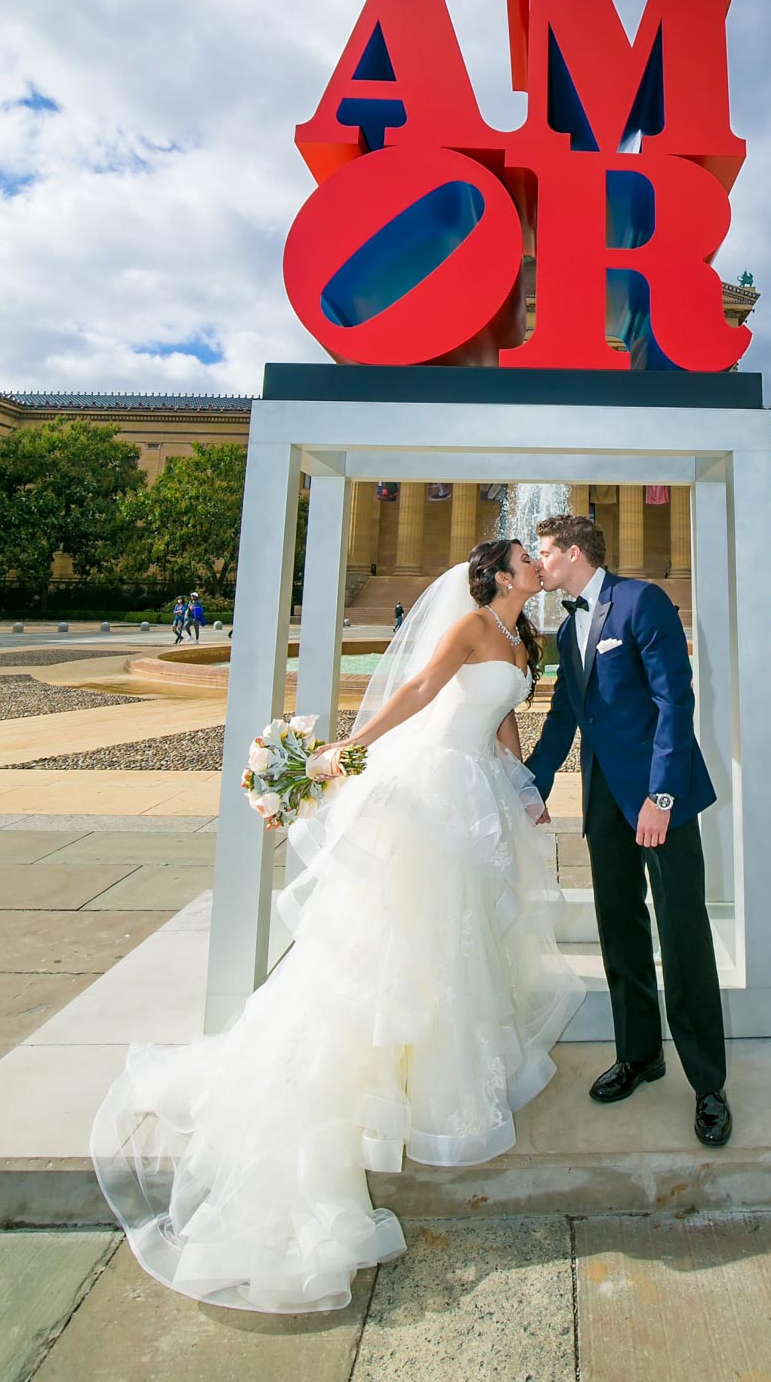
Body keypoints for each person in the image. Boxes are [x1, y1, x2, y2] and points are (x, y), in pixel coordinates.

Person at [91, 541, 585, 1314]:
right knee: (410, 932)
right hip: (435, 786)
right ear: (495, 575)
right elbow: (422, 689)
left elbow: (503, 723)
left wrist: (525, 790)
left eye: (533, 557)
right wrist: (352, 747)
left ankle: (441, 1067)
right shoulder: (469, 625)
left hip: (481, 788)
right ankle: (387, 1076)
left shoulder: (525, 638)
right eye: (523, 556)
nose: (533, 563)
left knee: (464, 937)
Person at [524, 513, 731, 1151]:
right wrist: (527, 784)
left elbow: (676, 701)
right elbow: (564, 714)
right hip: (604, 803)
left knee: (682, 930)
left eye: (546, 552)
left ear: (576, 554)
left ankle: (709, 1086)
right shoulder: (567, 624)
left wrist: (661, 796)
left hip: (658, 800)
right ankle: (640, 1055)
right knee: (620, 926)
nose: (538, 562)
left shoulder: (643, 601)